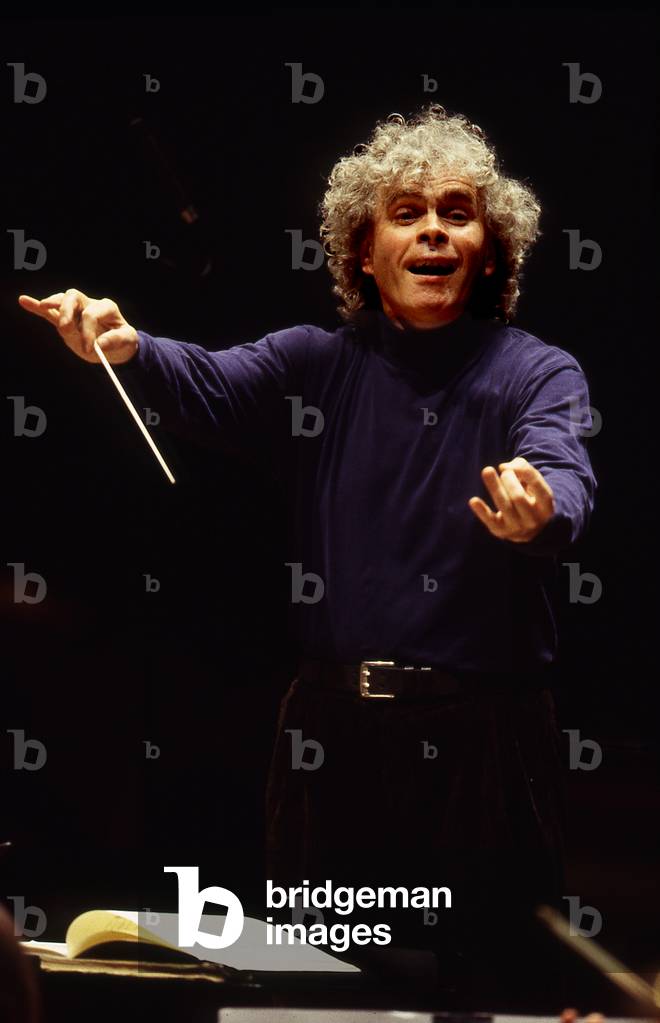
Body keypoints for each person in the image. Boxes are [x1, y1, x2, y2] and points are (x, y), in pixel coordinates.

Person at [19, 105, 597, 1006]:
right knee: (326, 989)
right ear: (364, 252)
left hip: (483, 739)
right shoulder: (319, 363)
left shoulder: (537, 370)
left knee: (491, 988)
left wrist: (542, 506)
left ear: (489, 250)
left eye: (457, 212)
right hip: (334, 739)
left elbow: (561, 467)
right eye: (406, 213)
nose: (434, 229)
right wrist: (123, 344)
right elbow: (206, 379)